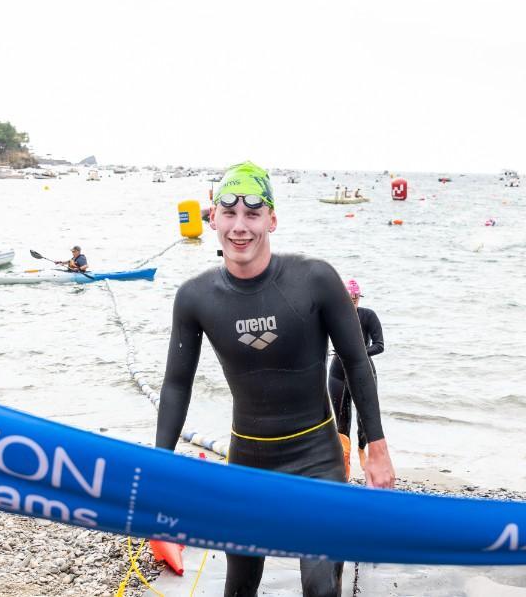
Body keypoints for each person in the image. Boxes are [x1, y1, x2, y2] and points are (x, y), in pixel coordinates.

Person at [157, 161, 394, 597]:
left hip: (317, 460)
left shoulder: (316, 279)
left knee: (321, 588)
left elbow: (357, 363)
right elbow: (176, 385)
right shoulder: (194, 297)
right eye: (229, 213)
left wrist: (374, 447)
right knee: (240, 586)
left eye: (252, 213)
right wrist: (160, 462)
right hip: (247, 460)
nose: (240, 227)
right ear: (213, 219)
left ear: (272, 219)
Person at [327, 278, 384, 479]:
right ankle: (344, 466)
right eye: (348, 297)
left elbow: (379, 345)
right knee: (342, 422)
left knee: (364, 419)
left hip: (364, 372)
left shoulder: (368, 316)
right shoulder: (334, 316)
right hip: (337, 373)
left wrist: (358, 352)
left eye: (355, 297)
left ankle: (362, 449)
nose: (352, 301)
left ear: (359, 297)